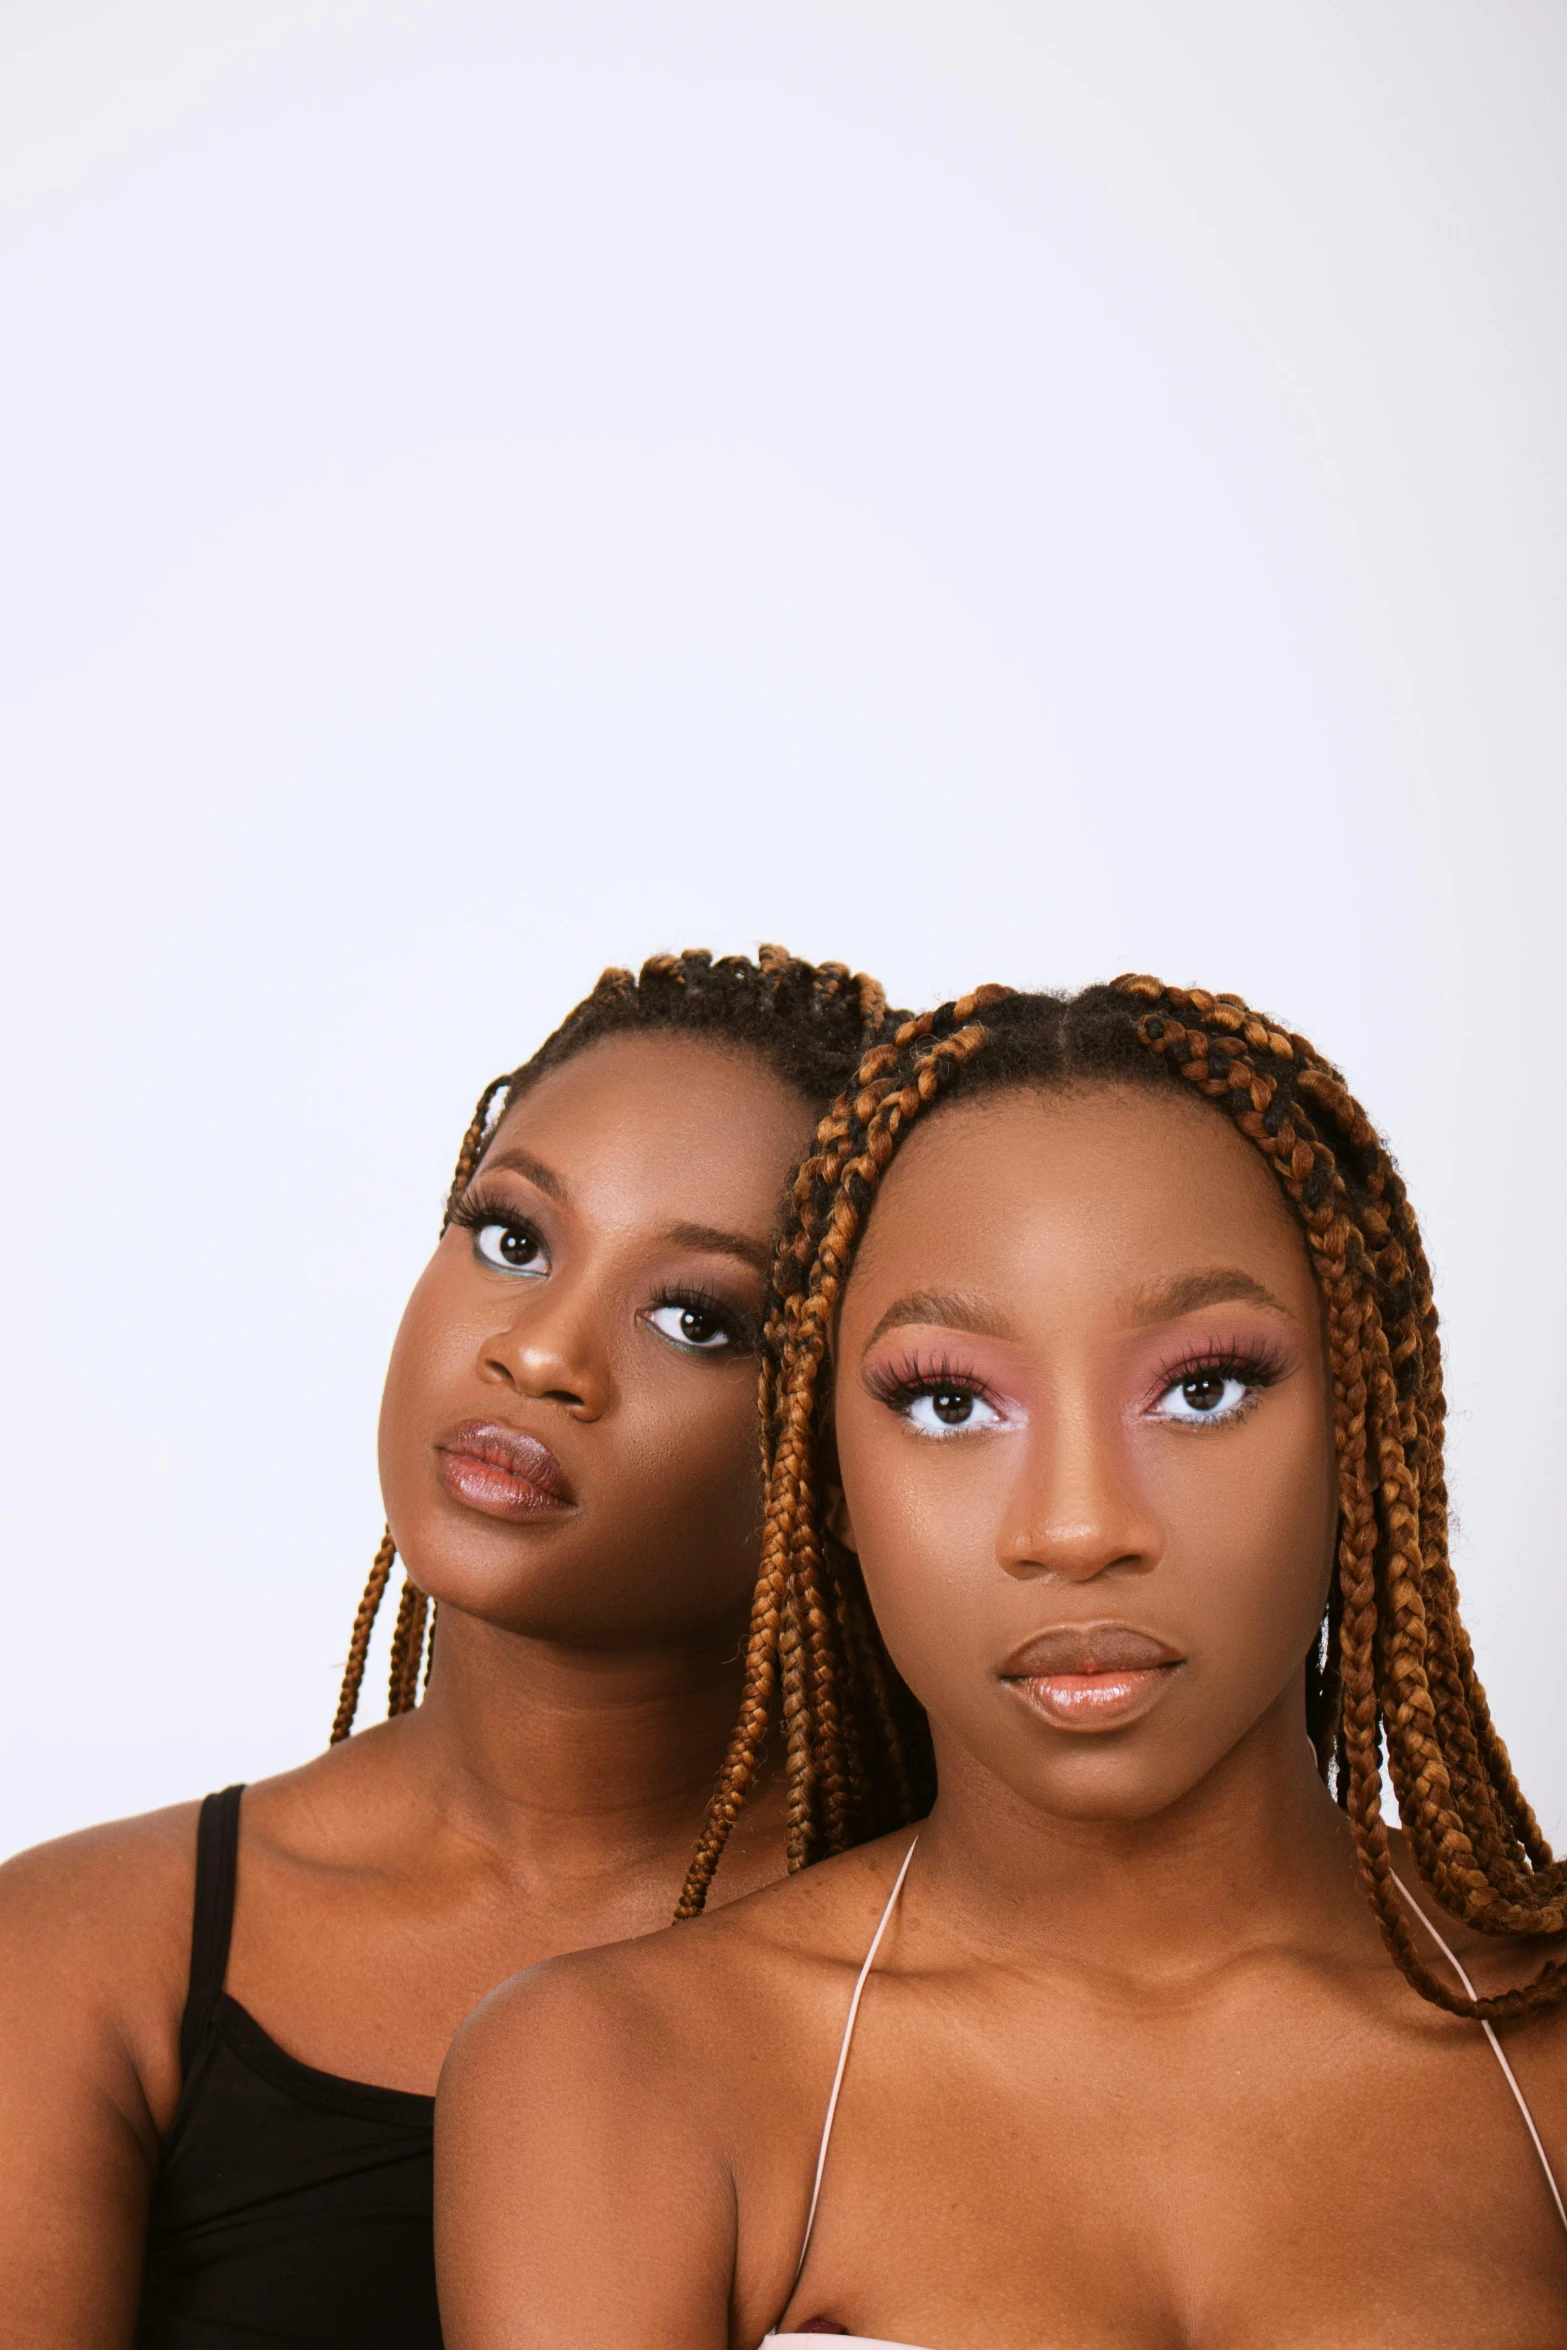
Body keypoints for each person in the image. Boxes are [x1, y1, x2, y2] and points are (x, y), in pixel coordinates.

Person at [438, 976, 1567, 2350]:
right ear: (827, 1480)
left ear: (1364, 1428)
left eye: (1201, 1386)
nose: (1077, 1526)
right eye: (949, 1400)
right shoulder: (619, 2075)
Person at [0, 945, 903, 2350]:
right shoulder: (80, 1952)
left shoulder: (956, 1954)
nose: (540, 1351)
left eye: (698, 1316)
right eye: (512, 1235)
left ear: (849, 1447)